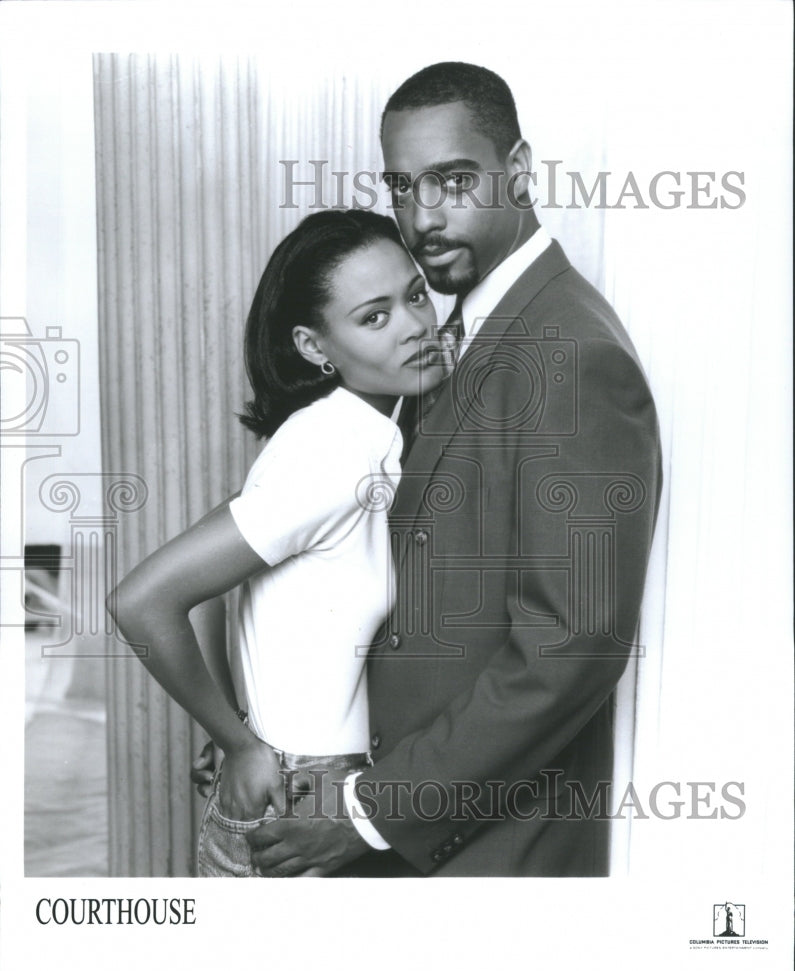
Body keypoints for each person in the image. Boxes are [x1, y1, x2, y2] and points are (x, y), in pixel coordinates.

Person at [246, 62, 663, 877]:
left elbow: (569, 646)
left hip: (493, 851)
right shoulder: (459, 333)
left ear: (520, 169)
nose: (421, 217)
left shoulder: (571, 354)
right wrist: (268, 733)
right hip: (414, 823)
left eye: (453, 181)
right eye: (402, 188)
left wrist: (371, 813)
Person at [107, 209, 445, 876]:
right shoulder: (338, 448)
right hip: (302, 791)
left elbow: (212, 583)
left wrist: (235, 719)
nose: (414, 325)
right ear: (314, 346)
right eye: (373, 317)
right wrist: (237, 743)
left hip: (309, 779)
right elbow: (142, 601)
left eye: (414, 295)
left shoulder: (337, 431)